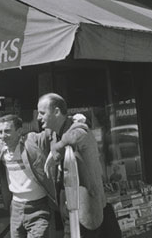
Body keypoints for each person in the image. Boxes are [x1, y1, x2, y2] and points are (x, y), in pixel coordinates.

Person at [0, 114, 57, 238]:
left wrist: (74, 120)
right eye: (0, 132)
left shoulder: (32, 140)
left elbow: (51, 133)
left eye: (7, 131)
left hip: (39, 207)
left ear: (20, 131)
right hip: (16, 208)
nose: (3, 135)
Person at [38, 93, 106, 238]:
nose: (39, 117)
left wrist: (57, 148)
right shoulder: (55, 134)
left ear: (56, 111)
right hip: (69, 210)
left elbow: (79, 134)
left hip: (84, 211)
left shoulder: (77, 129)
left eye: (42, 113)